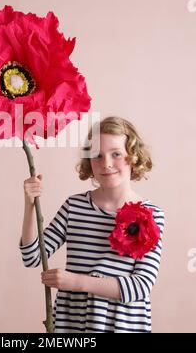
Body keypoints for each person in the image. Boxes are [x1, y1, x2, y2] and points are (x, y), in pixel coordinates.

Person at [19, 116, 165, 333]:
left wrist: (76, 282)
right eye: (97, 155)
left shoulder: (152, 216)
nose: (106, 163)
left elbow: (140, 286)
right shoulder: (74, 207)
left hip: (123, 326)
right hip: (73, 325)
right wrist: (30, 205)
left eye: (116, 154)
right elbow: (33, 257)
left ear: (133, 157)